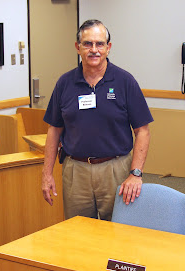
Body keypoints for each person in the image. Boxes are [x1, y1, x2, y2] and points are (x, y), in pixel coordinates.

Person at [42, 19, 153, 221]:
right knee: (78, 234)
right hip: (76, 171)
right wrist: (46, 174)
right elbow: (54, 130)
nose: (94, 50)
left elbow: (142, 131)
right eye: (88, 44)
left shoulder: (125, 81)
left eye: (100, 44)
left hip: (116, 168)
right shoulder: (65, 83)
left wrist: (136, 173)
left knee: (119, 232)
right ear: (78, 47)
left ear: (108, 48)